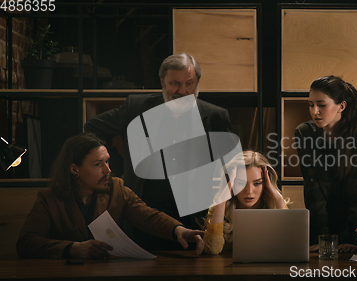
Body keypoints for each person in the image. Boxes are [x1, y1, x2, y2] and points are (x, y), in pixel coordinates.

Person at [84, 53, 232, 250]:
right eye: (175, 84)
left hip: (195, 217)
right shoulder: (136, 108)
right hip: (143, 213)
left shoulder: (216, 116)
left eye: (189, 83)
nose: (183, 91)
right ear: (162, 81)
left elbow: (230, 164)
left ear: (197, 83)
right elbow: (93, 127)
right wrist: (118, 167)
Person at [17, 133, 204, 259]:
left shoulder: (117, 189)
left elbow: (148, 217)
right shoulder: (49, 198)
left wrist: (179, 230)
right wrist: (72, 248)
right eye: (98, 164)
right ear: (75, 170)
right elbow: (27, 243)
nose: (108, 170)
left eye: (107, 162)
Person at [294, 75, 357, 252]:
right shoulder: (305, 133)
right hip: (322, 223)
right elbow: (312, 189)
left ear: (341, 106)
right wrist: (323, 238)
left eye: (321, 105)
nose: (314, 111)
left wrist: (355, 239)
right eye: (311, 104)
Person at [202, 151, 289, 255]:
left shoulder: (278, 206)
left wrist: (279, 199)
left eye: (257, 183)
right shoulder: (219, 209)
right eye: (241, 183)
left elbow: (289, 247)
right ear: (232, 183)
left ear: (266, 183)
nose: (249, 191)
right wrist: (222, 201)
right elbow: (212, 249)